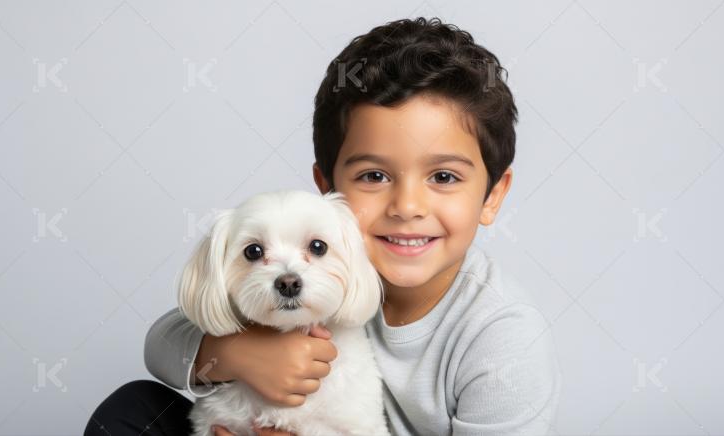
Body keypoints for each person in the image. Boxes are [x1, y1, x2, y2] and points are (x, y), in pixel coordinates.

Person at [86, 16, 562, 436]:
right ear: (327, 188)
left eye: (443, 176)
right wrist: (240, 354)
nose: (407, 205)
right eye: (374, 176)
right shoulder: (319, 260)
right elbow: (162, 344)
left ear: (492, 195)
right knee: (131, 411)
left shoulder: (504, 338)